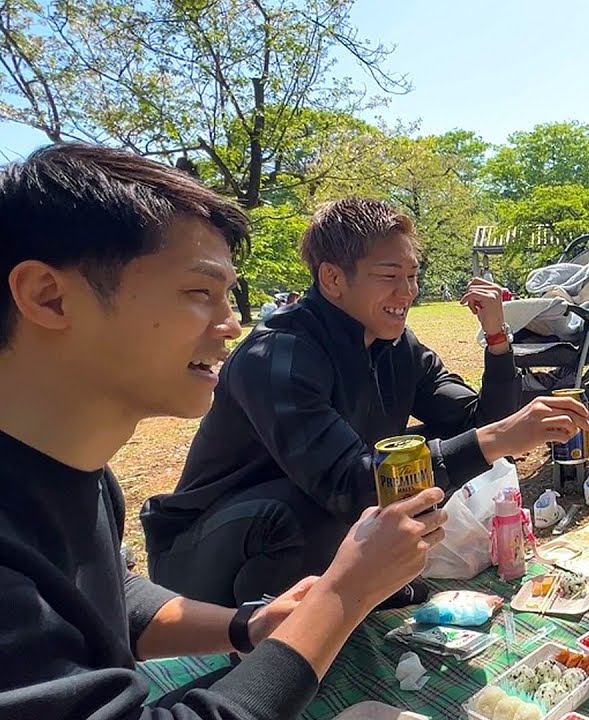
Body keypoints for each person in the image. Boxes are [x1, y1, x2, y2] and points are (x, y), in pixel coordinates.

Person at [0, 143, 450, 719]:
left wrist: (248, 625)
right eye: (199, 292)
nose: (232, 323)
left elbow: (109, 594)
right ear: (49, 296)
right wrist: (342, 596)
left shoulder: (73, 470)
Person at [142, 198, 589, 607]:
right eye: (390, 276)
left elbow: (479, 422)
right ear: (333, 278)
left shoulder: (396, 346)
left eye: (412, 276)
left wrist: (497, 339)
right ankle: (273, 640)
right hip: (207, 556)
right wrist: (495, 437)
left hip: (310, 524)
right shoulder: (279, 354)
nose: (408, 291)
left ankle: (359, 590)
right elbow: (345, 486)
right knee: (302, 506)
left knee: (436, 450)